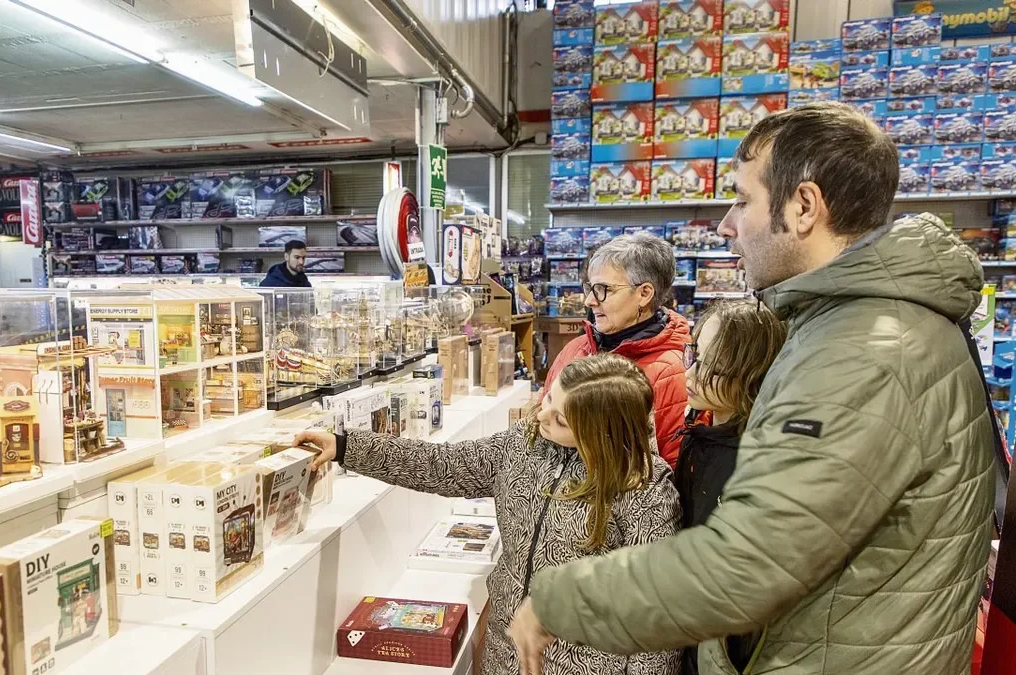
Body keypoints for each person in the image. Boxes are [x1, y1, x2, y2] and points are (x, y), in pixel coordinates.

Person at [508, 102, 996, 675]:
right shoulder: (853, 325)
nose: (725, 224)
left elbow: (747, 563)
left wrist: (561, 600)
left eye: (743, 199)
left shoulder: (863, 351)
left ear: (804, 206)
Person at [296, 353, 681, 675]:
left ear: (602, 432)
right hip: (506, 652)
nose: (541, 416)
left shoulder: (645, 491)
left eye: (562, 419)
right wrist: (346, 447)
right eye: (548, 399)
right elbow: (442, 466)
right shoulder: (523, 443)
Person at [676, 299, 786, 675]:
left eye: (706, 363)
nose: (689, 373)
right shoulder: (704, 436)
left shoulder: (758, 467)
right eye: (693, 354)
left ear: (750, 374)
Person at [543, 232, 690, 468]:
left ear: (644, 294)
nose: (589, 300)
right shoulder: (575, 349)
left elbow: (671, 471)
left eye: (603, 289)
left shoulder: (672, 373)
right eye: (590, 288)